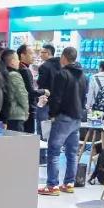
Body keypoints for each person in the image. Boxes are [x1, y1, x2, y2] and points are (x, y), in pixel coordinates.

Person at [39, 47, 87, 196]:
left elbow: (56, 97)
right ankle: (69, 183)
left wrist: (52, 114)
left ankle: (52, 185)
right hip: (77, 118)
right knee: (72, 153)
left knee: (54, 151)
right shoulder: (83, 75)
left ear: (64, 58)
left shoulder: (62, 74)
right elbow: (83, 98)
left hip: (63, 117)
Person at [16, 44, 46, 134]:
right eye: (31, 53)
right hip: (27, 110)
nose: (34, 56)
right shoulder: (24, 70)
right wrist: (44, 91)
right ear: (22, 55)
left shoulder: (20, 68)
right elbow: (30, 92)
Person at [36, 44, 60, 139]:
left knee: (42, 128)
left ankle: (41, 148)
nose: (40, 54)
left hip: (45, 101)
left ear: (48, 53)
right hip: (58, 103)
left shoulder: (44, 67)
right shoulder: (61, 65)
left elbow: (41, 83)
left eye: (42, 52)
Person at [2, 50, 29, 132]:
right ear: (12, 62)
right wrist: (26, 111)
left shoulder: (3, 73)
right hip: (16, 114)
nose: (19, 61)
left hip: (6, 114)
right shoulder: (14, 75)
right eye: (17, 59)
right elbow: (22, 95)